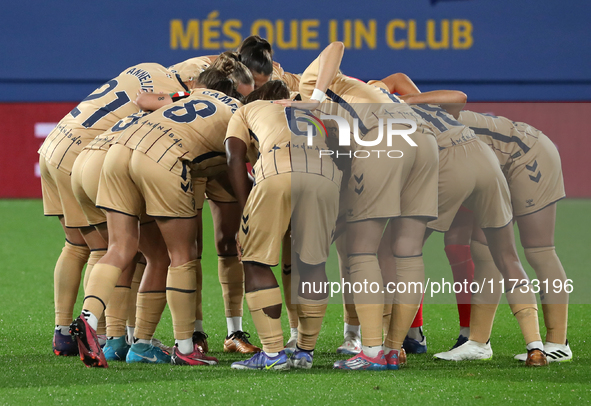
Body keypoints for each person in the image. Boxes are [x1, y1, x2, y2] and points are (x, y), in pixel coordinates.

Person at [277, 43, 440, 371]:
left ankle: (371, 350)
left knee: (360, 250)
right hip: (422, 141)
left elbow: (335, 45)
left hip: (384, 141)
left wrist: (316, 96)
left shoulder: (309, 86)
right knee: (405, 252)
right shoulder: (342, 99)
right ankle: (394, 349)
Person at [69, 63, 240, 368]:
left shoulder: (181, 95)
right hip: (159, 157)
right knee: (179, 255)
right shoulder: (237, 107)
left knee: (119, 249)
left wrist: (181, 92)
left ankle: (93, 320)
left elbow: (144, 99)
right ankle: (184, 347)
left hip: (109, 152)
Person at [372, 73, 548, 366]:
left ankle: (393, 347)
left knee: (396, 250)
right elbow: (456, 96)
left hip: (450, 166)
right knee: (506, 255)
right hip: (485, 159)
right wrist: (401, 97)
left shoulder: (374, 117)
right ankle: (535, 347)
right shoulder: (421, 106)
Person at [38, 61, 193, 357]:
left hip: (55, 144)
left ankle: (63, 333)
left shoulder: (146, 69)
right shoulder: (179, 93)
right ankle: (109, 336)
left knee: (75, 245)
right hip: (84, 155)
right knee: (110, 249)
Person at [433, 109, 570, 362]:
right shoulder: (403, 125)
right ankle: (478, 342)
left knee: (538, 250)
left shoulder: (413, 124)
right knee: (484, 250)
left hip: (528, 153)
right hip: (493, 167)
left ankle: (558, 342)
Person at [225, 80, 342, 370]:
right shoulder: (314, 111)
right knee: (313, 262)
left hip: (276, 169)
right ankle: (305, 352)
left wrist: (245, 211)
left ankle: (273, 354)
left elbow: (234, 156)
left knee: (255, 262)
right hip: (325, 175)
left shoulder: (246, 109)